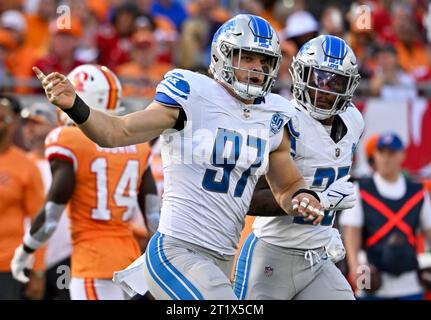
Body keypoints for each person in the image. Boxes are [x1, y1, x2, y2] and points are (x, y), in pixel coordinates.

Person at [30, 14, 331, 300]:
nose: (257, 68)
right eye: (247, 57)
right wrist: (75, 106)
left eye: (265, 61)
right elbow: (117, 132)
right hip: (176, 250)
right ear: (223, 56)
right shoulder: (193, 93)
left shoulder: (275, 114)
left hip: (224, 257)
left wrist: (303, 199)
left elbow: (286, 184)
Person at [11, 64, 160, 300]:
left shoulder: (69, 139)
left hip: (92, 262)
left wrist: (26, 249)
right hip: (131, 263)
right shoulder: (138, 145)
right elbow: (154, 217)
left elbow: (51, 217)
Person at [233, 35, 363, 300]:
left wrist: (329, 227)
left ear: (349, 85)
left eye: (335, 81)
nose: (325, 90)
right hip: (271, 253)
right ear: (300, 74)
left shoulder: (354, 121)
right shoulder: (281, 120)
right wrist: (319, 200)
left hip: (317, 257)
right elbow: (249, 197)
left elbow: (339, 179)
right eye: (318, 78)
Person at [340, 132, 431, 300]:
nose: (385, 158)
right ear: (374, 156)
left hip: (410, 282)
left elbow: (429, 230)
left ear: (402, 155)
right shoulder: (360, 189)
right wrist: (354, 267)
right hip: (373, 280)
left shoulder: (418, 192)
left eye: (391, 153)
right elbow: (352, 231)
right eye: (381, 152)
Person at [21, 102, 72, 300]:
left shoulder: (68, 164)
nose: (29, 128)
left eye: (37, 123)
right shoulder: (21, 165)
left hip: (64, 255)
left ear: (54, 126)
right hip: (29, 255)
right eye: (26, 124)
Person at [0, 94, 46, 300]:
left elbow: (40, 221)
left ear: (14, 122)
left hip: (8, 266)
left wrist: (37, 270)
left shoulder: (26, 167)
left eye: (4, 118)